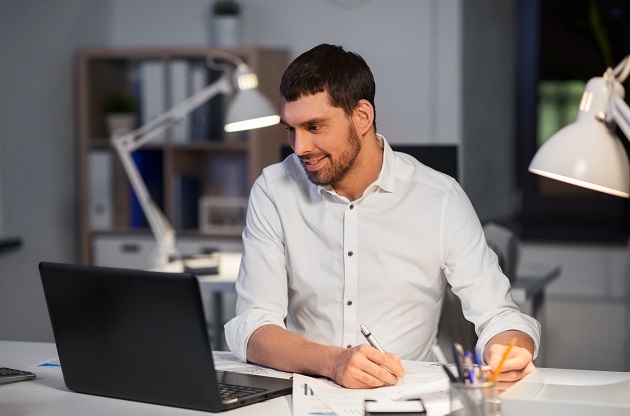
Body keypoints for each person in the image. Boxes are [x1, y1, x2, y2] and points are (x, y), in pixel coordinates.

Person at [225, 44, 540, 390]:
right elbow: (253, 327)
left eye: (314, 127)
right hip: (305, 392)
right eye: (291, 129)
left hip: (405, 397)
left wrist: (510, 348)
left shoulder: (441, 199)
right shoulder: (273, 190)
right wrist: (334, 362)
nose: (299, 147)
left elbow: (499, 315)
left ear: (362, 116)